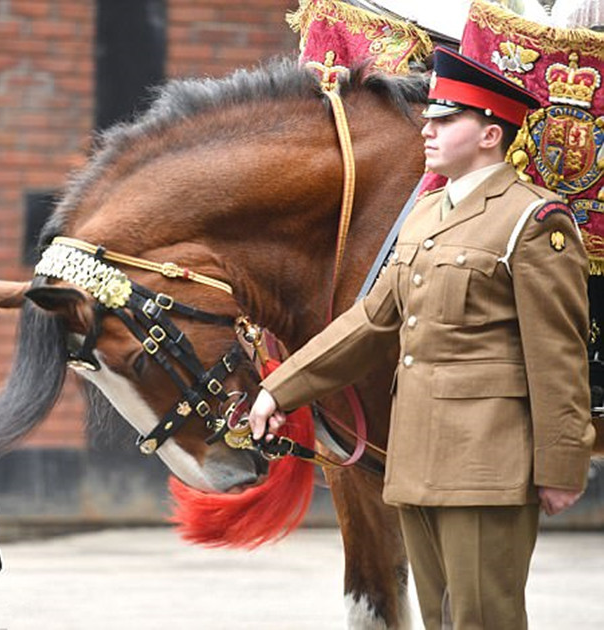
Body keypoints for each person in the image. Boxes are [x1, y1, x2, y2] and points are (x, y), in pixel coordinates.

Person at [248, 47, 595, 629]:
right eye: (428, 117)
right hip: (416, 461)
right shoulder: (424, 215)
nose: (427, 130)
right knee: (437, 619)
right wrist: (280, 390)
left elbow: (558, 356)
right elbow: (371, 320)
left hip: (487, 464)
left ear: (490, 134)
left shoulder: (533, 221)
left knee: (483, 619)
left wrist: (562, 463)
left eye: (445, 120)